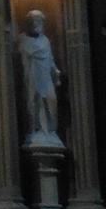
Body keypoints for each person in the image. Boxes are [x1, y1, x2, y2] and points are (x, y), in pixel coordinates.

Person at [18, 10, 62, 139]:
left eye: (38, 21)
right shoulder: (23, 39)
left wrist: (55, 70)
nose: (35, 24)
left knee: (51, 100)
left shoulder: (45, 41)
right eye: (33, 21)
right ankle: (35, 129)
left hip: (46, 78)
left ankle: (51, 130)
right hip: (32, 76)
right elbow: (24, 55)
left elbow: (50, 59)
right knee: (33, 102)